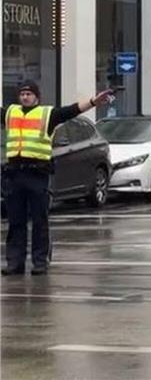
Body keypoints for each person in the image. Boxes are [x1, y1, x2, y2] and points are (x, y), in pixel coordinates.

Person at [2, 81, 114, 276]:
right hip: (15, 174)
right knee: (16, 222)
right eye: (22, 94)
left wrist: (93, 102)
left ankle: (40, 262)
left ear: (36, 96)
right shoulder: (10, 113)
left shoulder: (47, 114)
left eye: (29, 93)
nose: (25, 97)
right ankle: (15, 263)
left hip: (38, 175)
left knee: (40, 221)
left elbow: (71, 111)